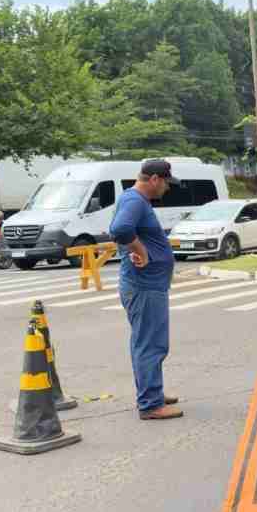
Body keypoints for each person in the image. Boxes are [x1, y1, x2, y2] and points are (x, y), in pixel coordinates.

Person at [109, 160, 183, 420]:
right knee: (150, 344)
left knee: (148, 342)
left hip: (146, 285)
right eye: (165, 183)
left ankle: (153, 392)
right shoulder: (135, 201)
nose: (166, 188)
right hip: (144, 286)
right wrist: (140, 250)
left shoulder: (135, 201)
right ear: (154, 179)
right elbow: (119, 230)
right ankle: (151, 404)